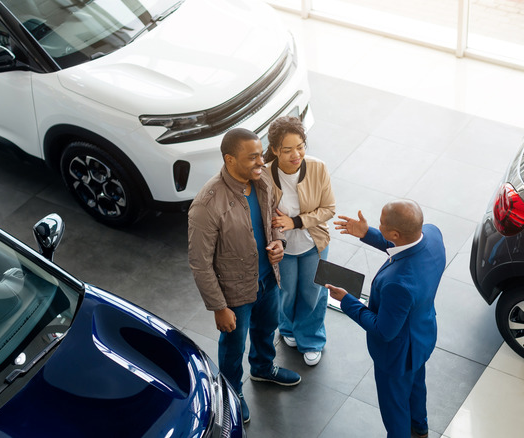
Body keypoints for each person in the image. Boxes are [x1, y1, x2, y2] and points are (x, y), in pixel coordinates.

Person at [188, 128, 301, 425]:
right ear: (229, 159)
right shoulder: (206, 205)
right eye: (252, 157)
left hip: (267, 280)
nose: (260, 163)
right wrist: (219, 307)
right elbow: (199, 263)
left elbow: (273, 217)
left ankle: (263, 368)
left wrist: (280, 242)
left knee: (267, 329)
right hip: (234, 294)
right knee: (233, 347)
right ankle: (230, 393)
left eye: (260, 155)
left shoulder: (260, 179)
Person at [327, 200, 445, 438]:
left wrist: (348, 300)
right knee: (416, 387)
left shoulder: (397, 284)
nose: (378, 225)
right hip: (423, 337)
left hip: (397, 356)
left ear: (394, 233)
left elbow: (384, 331)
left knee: (394, 409)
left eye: (380, 224)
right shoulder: (432, 235)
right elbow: (405, 247)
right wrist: (366, 233)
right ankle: (420, 429)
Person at [263, 115, 336, 366]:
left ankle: (312, 338)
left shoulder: (318, 168)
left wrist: (295, 222)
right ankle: (287, 328)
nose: (296, 154)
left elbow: (328, 208)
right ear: (274, 150)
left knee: (313, 292)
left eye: (301, 146)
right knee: (286, 291)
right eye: (288, 149)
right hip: (283, 248)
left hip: (313, 242)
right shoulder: (264, 177)